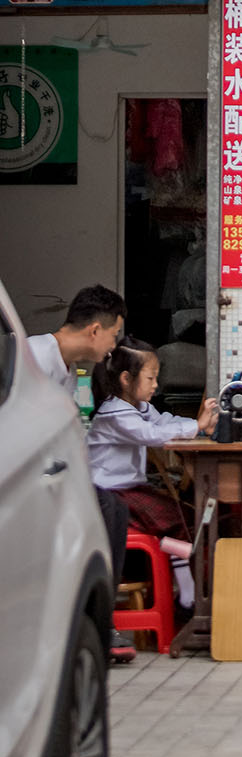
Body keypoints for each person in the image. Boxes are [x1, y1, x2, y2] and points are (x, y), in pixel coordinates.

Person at [27, 284, 135, 664]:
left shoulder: (70, 371)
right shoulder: (30, 359)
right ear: (94, 331)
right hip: (21, 483)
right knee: (106, 508)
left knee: (113, 509)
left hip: (45, 479)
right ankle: (93, 621)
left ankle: (95, 618)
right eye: (112, 335)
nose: (112, 346)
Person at [88, 336, 218, 606]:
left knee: (184, 517)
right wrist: (196, 427)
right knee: (177, 518)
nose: (156, 386)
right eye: (151, 378)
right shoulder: (114, 414)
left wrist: (199, 424)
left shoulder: (138, 408)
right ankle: (187, 596)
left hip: (130, 490)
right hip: (110, 495)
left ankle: (185, 592)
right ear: (126, 379)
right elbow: (152, 434)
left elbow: (164, 421)